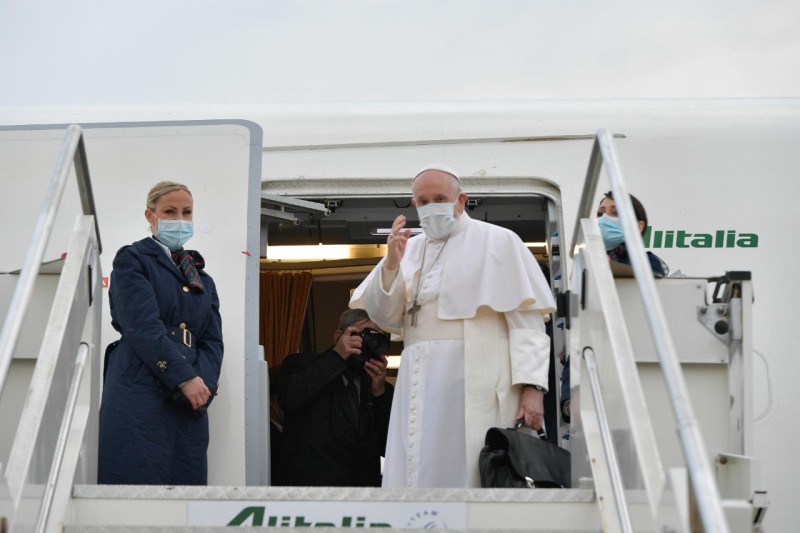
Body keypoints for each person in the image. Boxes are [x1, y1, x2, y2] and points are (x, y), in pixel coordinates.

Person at [350, 164, 556, 488]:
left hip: (475, 379)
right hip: (417, 378)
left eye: (440, 198)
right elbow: (385, 317)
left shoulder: (499, 242)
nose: (432, 206)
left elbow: (527, 325)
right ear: (414, 205)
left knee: (469, 471)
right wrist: (390, 264)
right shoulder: (408, 248)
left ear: (461, 201)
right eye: (423, 200)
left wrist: (533, 389)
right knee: (415, 466)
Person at [99, 181, 223, 485]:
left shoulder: (201, 278)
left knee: (185, 490)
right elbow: (141, 325)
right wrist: (183, 377)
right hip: (140, 385)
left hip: (189, 399)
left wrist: (202, 385)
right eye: (170, 211)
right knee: (135, 482)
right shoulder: (133, 259)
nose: (179, 219)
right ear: (150, 216)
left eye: (186, 212)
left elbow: (212, 341)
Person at [277, 309, 393, 486]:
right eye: (365, 334)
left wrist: (379, 394)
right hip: (312, 491)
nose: (369, 342)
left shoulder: (380, 388)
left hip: (363, 496)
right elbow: (288, 399)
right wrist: (337, 356)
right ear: (339, 336)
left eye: (377, 337)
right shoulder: (300, 364)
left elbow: (391, 448)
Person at [597, 191, 668, 277]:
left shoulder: (646, 263)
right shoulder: (585, 260)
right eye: (600, 214)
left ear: (638, 227)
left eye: (616, 213)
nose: (604, 218)